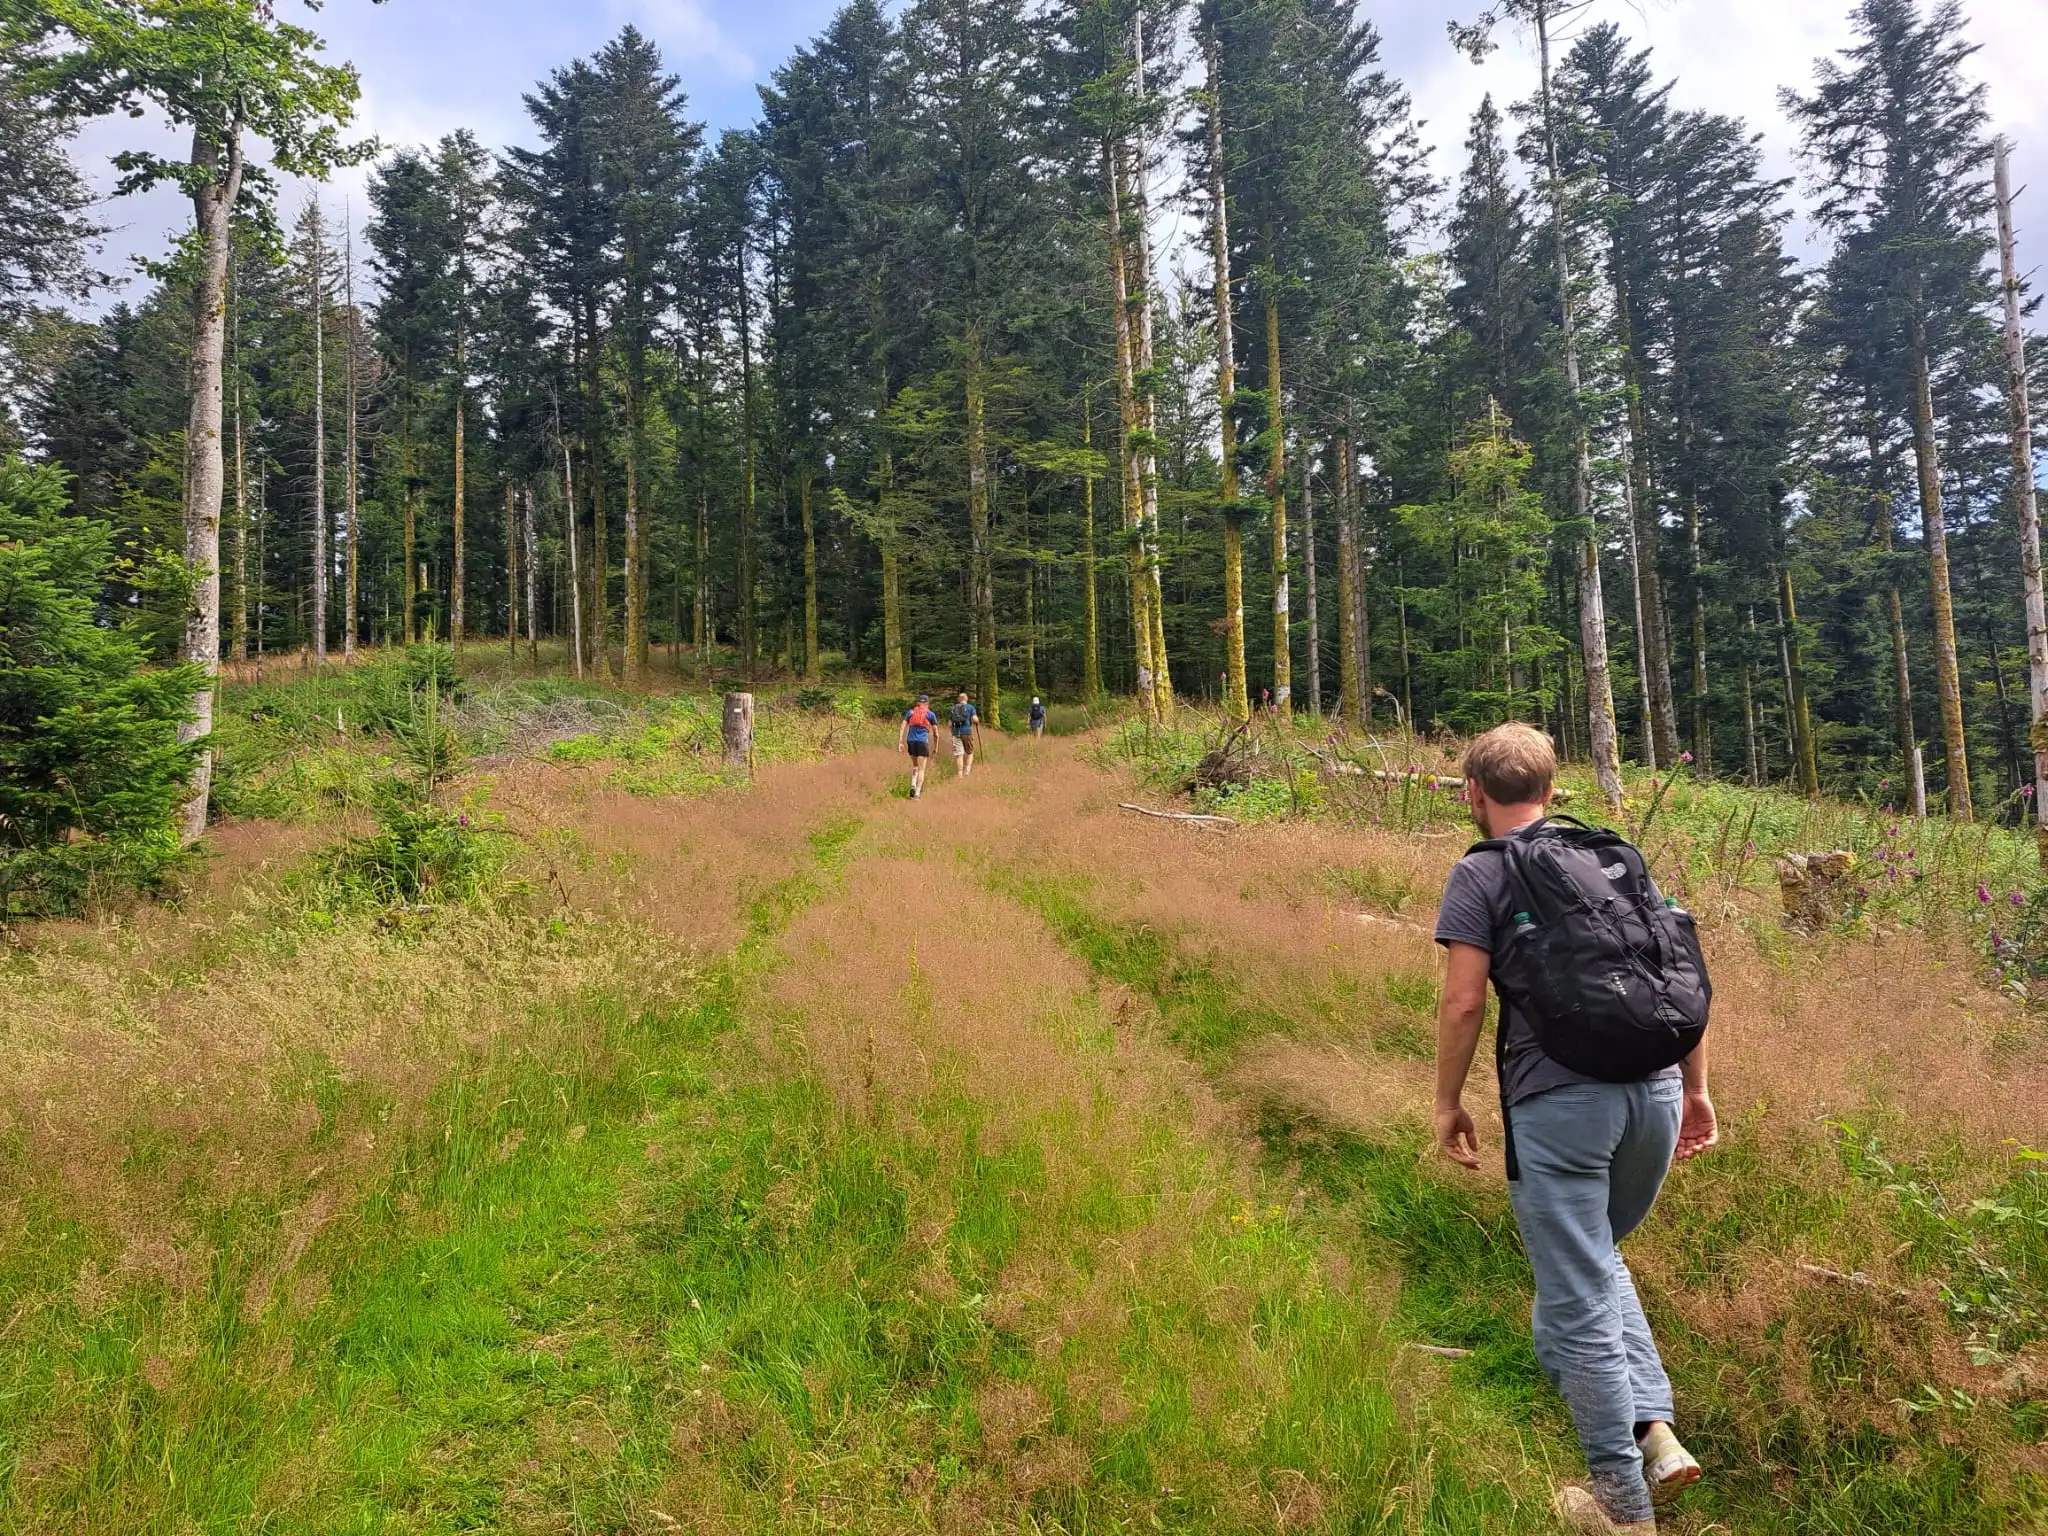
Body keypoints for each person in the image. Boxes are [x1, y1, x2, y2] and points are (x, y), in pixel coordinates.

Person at [1432, 723, 1718, 1535]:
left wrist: (1448, 1103)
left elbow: (1462, 1001)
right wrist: (1697, 1090)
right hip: (1656, 1094)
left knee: (1577, 1295)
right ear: (1554, 792)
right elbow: (1677, 964)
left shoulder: (1479, 872)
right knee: (1595, 1259)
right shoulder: (1614, 855)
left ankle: (1623, 1509)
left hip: (1558, 1108)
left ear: (1473, 795)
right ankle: (1655, 1436)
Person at [899, 693, 938, 798]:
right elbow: (936, 733)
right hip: (922, 742)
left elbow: (903, 725)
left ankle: (913, 783)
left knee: (915, 765)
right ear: (927, 703)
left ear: (918, 703)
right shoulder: (930, 714)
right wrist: (936, 747)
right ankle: (917, 793)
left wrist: (901, 741)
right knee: (922, 769)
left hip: (910, 742)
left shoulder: (910, 712)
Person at [948, 690, 979, 777]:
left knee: (959, 755)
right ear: (966, 699)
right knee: (970, 752)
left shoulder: (953, 708)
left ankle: (960, 774)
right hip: (966, 732)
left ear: (959, 699)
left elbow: (950, 724)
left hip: (956, 733)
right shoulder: (970, 707)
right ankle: (967, 771)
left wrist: (953, 733)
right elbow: (975, 719)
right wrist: (977, 721)